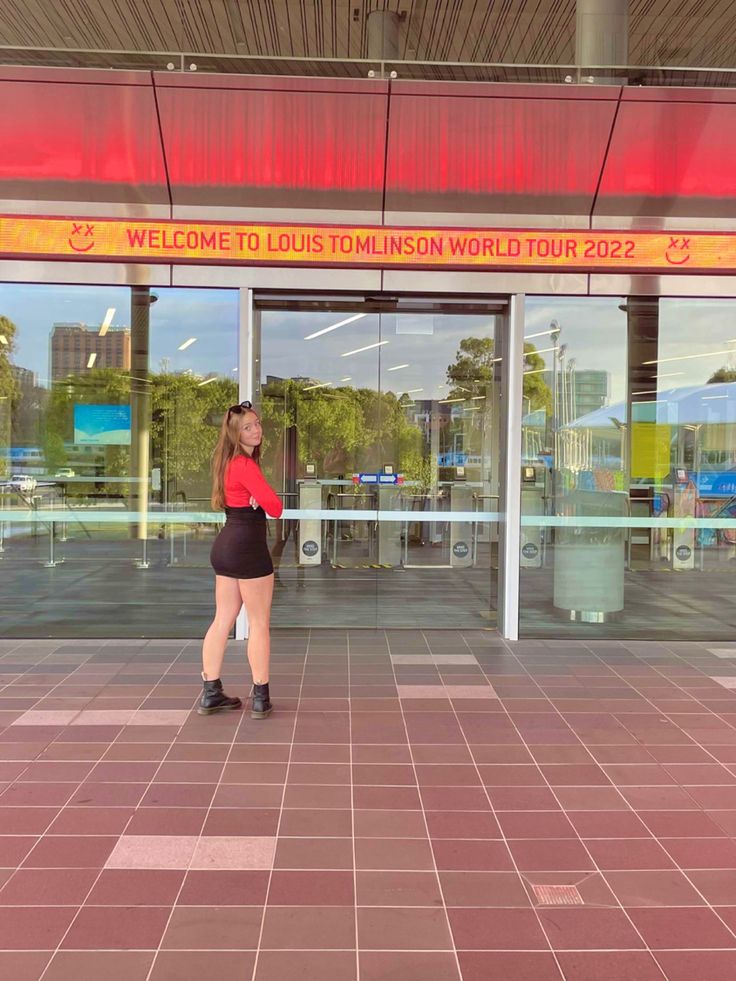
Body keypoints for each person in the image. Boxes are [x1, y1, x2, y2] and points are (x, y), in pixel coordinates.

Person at [198, 400, 283, 717]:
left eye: (257, 423)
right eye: (248, 427)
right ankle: (260, 697)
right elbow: (275, 507)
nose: (256, 429)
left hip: (225, 547)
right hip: (247, 547)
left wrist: (256, 497)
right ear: (236, 434)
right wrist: (261, 499)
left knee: (222, 620)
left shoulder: (226, 462)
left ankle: (211, 692)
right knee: (259, 623)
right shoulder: (245, 465)